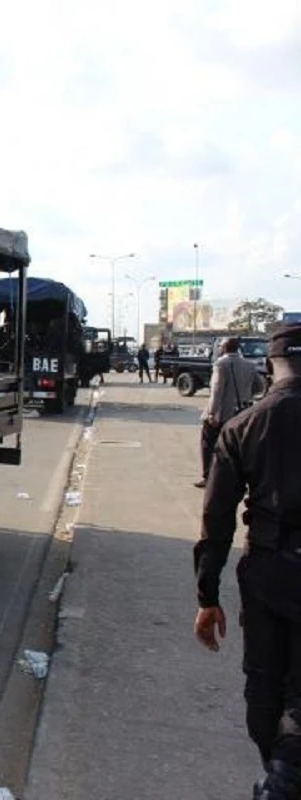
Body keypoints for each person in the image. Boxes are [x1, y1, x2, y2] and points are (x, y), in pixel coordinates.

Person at [194, 324, 301, 799]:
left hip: (268, 578)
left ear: (270, 367)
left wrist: (207, 595)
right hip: (272, 576)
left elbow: (217, 522)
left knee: (264, 690)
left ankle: (279, 780)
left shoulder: (244, 427)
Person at [196, 337, 261, 488]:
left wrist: (212, 413)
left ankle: (208, 476)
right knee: (239, 447)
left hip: (223, 413)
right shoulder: (249, 365)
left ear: (224, 348)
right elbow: (259, 386)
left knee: (208, 443)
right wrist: (246, 395)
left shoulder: (221, 364)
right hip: (243, 412)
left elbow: (217, 390)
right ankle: (240, 480)